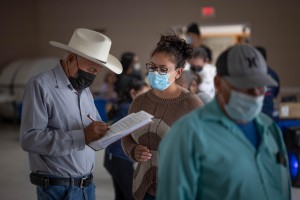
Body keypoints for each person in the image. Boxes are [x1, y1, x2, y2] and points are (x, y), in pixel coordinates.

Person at [157, 44, 291, 200]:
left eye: (260, 85)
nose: (255, 93)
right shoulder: (187, 135)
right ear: (219, 83)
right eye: (245, 85)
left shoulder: (269, 128)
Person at [19, 28, 123, 200]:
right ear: (71, 59)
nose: (92, 76)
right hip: (58, 190)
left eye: (96, 72)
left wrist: (106, 132)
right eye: (90, 69)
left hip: (87, 188)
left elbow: (94, 124)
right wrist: (81, 136)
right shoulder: (41, 85)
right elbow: (29, 138)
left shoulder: (85, 90)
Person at [121, 34, 203, 200]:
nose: (155, 72)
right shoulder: (140, 101)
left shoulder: (191, 104)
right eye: (152, 67)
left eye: (163, 69)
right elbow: (127, 135)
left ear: (178, 72)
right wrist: (133, 150)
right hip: (143, 189)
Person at [104, 80, 150, 200]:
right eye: (144, 94)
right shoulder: (128, 108)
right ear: (133, 93)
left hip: (115, 158)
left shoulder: (126, 105)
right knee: (132, 196)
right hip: (118, 159)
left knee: (121, 196)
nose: (147, 98)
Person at [255, 46, 281, 119]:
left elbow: (275, 92)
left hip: (266, 112)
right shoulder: (273, 74)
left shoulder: (272, 75)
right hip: (259, 112)